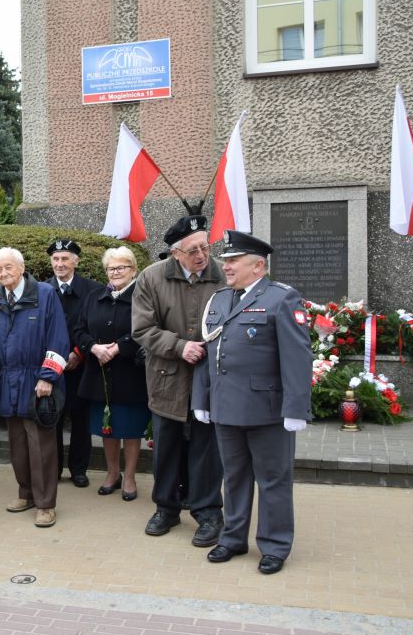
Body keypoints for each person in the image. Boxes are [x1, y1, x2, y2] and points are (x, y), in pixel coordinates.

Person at [192, 231, 311, 575]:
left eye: (233, 261)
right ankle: (233, 538)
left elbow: (297, 358)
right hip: (226, 407)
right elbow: (207, 352)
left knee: (273, 479)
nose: (226, 266)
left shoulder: (281, 299)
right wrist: (202, 397)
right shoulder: (218, 300)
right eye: (226, 260)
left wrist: (296, 409)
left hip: (267, 410)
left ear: (258, 265)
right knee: (234, 476)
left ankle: (274, 545)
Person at [131, 215, 226, 546]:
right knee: (166, 447)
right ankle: (166, 508)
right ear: (175, 253)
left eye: (205, 246)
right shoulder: (151, 278)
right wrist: (180, 346)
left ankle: (208, 511)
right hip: (166, 377)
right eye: (193, 250)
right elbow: (142, 330)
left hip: (211, 379)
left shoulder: (223, 276)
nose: (202, 255)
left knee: (206, 448)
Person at [0, 247, 70, 528]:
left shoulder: (45, 294)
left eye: (8, 267)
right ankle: (25, 493)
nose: (4, 273)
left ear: (22, 267)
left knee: (41, 445)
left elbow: (59, 338)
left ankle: (45, 504)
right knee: (17, 443)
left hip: (37, 380)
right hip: (7, 381)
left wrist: (47, 377)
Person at [74, 247, 150, 501]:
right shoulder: (94, 296)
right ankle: (112, 473)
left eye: (121, 267)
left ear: (133, 270)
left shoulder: (143, 295)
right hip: (99, 373)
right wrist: (93, 347)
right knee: (106, 428)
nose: (115, 272)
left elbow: (148, 328)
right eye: (111, 268)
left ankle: (129, 477)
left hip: (130, 374)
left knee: (129, 428)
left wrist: (120, 347)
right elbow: (79, 330)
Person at [46, 239, 103, 487]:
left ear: (76, 262)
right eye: (56, 259)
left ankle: (79, 470)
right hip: (51, 366)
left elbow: (97, 325)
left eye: (65, 258)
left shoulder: (93, 290)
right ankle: (54, 469)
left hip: (82, 365)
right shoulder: (42, 290)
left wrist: (79, 353)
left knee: (81, 420)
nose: (60, 264)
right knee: (52, 419)